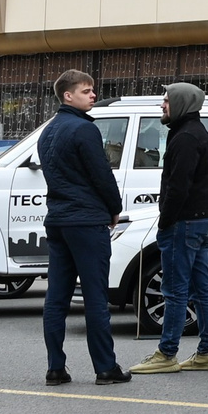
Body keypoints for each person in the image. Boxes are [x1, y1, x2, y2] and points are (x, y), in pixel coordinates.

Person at [37, 68, 129, 386]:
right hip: (87, 220)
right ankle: (105, 367)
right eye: (86, 91)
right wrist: (114, 208)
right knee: (94, 296)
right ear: (68, 95)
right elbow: (100, 173)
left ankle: (55, 368)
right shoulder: (84, 130)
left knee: (57, 297)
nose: (93, 95)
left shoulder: (48, 131)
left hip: (58, 219)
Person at [132, 82, 208, 375]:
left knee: (174, 290)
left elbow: (178, 186)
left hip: (184, 222)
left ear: (181, 103)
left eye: (167, 100)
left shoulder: (184, 137)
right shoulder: (197, 133)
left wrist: (165, 219)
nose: (162, 105)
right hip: (201, 220)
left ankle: (166, 353)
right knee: (202, 289)